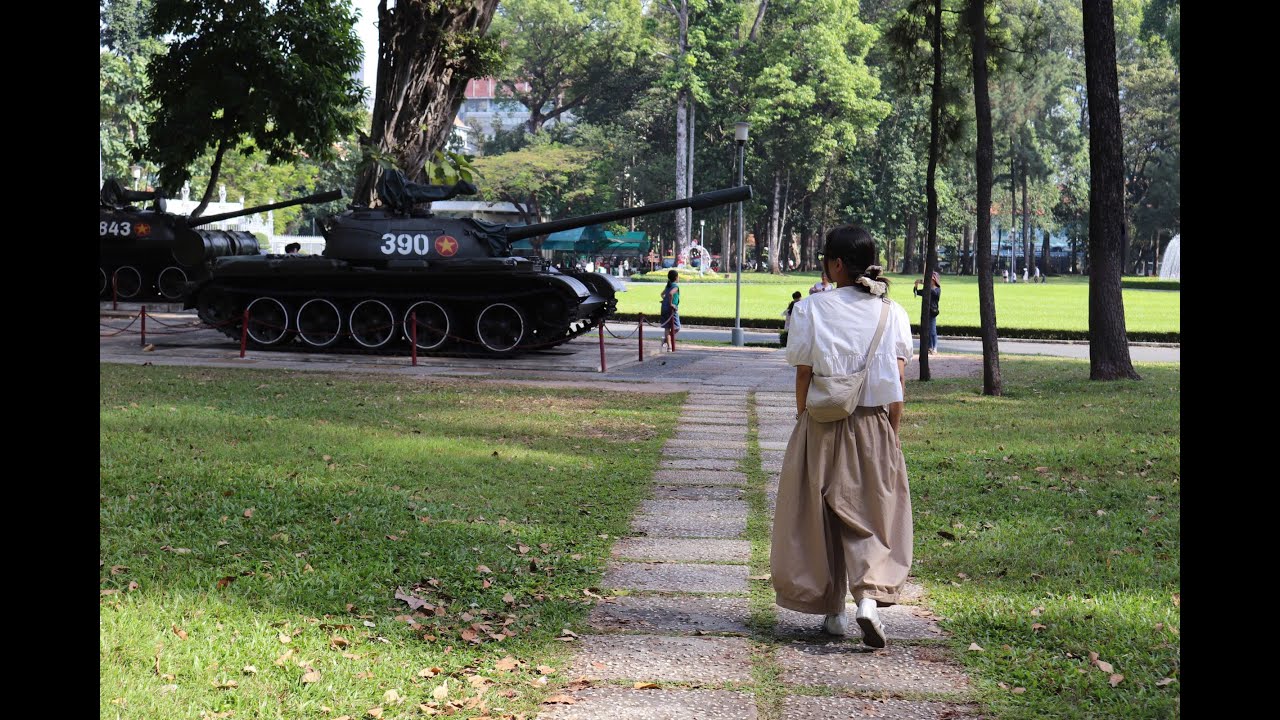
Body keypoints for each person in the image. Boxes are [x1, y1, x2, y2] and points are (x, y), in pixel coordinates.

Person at [771, 225, 914, 649]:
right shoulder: (894, 313)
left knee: (818, 516)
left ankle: (831, 610)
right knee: (872, 514)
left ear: (835, 265)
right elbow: (899, 380)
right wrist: (893, 432)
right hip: (874, 423)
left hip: (823, 423)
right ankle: (867, 599)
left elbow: (803, 372)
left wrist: (803, 418)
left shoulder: (811, 310)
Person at [913, 271, 941, 355]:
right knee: (927, 331)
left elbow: (934, 293)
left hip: (933, 312)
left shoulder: (937, 289)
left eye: (931, 279)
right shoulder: (927, 289)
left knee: (932, 331)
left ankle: (934, 348)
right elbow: (916, 292)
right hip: (926, 312)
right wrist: (916, 285)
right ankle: (929, 347)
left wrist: (926, 285)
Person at [660, 269, 681, 348]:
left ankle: (669, 347)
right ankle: (666, 341)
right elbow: (670, 294)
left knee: (667, 328)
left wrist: (665, 300)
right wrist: (671, 303)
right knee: (677, 327)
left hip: (664, 308)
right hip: (671, 310)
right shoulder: (675, 286)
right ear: (676, 277)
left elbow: (662, 294)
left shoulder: (668, 285)